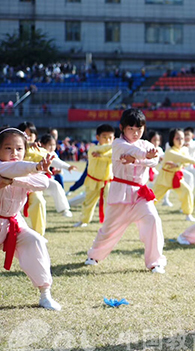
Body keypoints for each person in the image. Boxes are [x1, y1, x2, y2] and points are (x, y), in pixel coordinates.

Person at [84, 109, 166, 274]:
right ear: (121, 127)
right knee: (109, 228)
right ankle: (94, 256)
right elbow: (133, 151)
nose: (135, 133)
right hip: (120, 193)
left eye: (139, 129)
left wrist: (138, 160)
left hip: (140, 194)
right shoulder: (117, 143)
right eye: (131, 129)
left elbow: (155, 160)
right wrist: (144, 157)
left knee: (153, 220)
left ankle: (155, 262)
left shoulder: (146, 144)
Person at [0, 127, 61, 310]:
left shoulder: (23, 169)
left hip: (14, 222)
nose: (14, 153)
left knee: (36, 241)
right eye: (8, 148)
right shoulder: (6, 166)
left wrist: (14, 180)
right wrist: (33, 168)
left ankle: (45, 295)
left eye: (19, 149)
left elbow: (43, 182)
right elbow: (13, 168)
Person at [153, 128, 195, 222]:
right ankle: (139, 212)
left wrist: (178, 165)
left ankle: (188, 214)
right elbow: (183, 158)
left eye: (182, 138)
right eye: (177, 138)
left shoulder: (183, 149)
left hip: (176, 177)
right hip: (164, 178)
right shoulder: (170, 151)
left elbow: (185, 162)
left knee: (187, 191)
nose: (180, 141)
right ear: (172, 139)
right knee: (153, 197)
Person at [73, 124, 115, 227]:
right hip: (93, 181)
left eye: (110, 138)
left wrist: (104, 155)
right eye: (104, 137)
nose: (107, 140)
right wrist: (116, 145)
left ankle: (108, 223)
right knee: (88, 202)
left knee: (109, 203)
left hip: (108, 182)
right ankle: (84, 220)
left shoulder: (114, 151)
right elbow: (103, 150)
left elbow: (111, 156)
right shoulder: (93, 148)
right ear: (97, 137)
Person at [39, 134, 75, 218]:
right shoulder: (39, 152)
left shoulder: (52, 153)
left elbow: (57, 162)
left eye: (54, 145)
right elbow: (55, 162)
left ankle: (65, 209)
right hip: (33, 178)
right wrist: (67, 167)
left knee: (57, 186)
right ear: (43, 145)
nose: (52, 147)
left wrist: (65, 168)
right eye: (50, 145)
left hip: (45, 179)